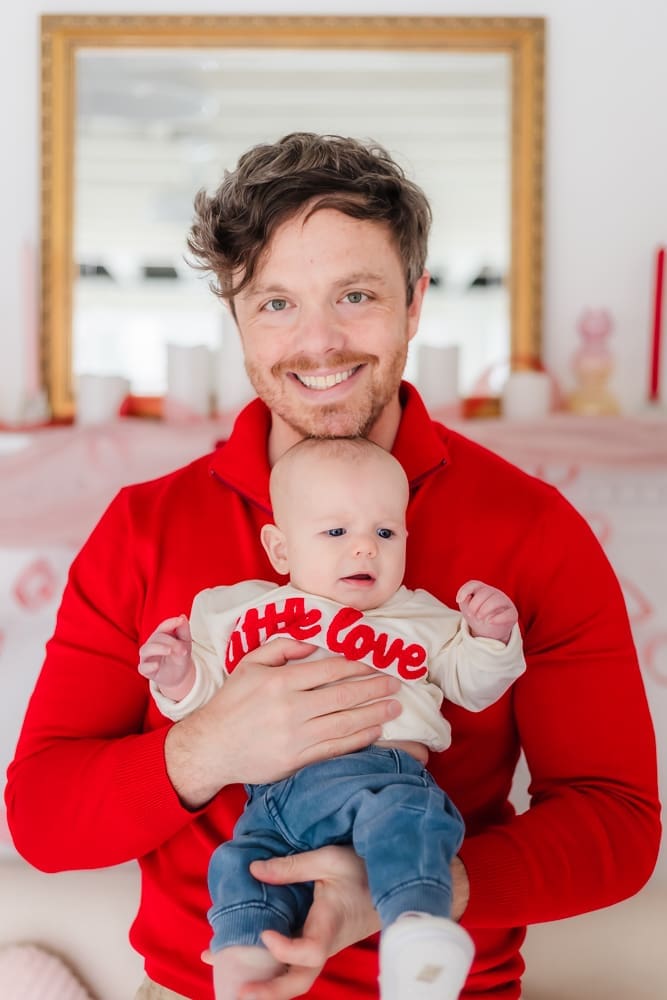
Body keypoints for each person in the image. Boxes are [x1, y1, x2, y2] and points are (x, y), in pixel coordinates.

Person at [5, 132, 660, 1000]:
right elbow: (43, 821)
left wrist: (426, 892)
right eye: (276, 303)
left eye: (355, 296)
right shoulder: (144, 528)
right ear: (235, 314)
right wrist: (204, 748)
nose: (318, 345)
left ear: (416, 303)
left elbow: (617, 824)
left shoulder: (531, 529)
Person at [139, 436, 526, 1000]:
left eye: (385, 533)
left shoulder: (421, 616)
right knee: (241, 865)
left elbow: (471, 682)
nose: (365, 549)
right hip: (268, 797)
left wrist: (489, 637)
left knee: (412, 820)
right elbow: (204, 698)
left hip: (381, 777)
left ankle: (416, 938)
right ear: (281, 550)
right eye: (337, 532)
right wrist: (176, 674)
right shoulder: (237, 612)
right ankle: (241, 972)